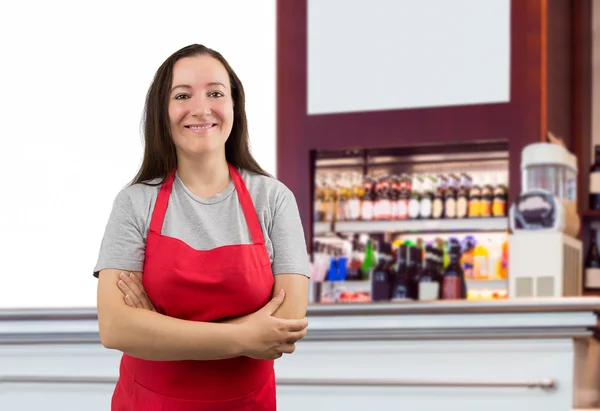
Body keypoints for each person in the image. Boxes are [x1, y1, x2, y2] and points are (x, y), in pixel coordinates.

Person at [94, 43, 310, 410]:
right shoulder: (134, 203)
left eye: (215, 93)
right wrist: (245, 336)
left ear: (234, 106)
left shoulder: (273, 199)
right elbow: (116, 328)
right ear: (162, 112)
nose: (201, 108)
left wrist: (158, 326)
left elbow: (284, 327)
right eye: (182, 95)